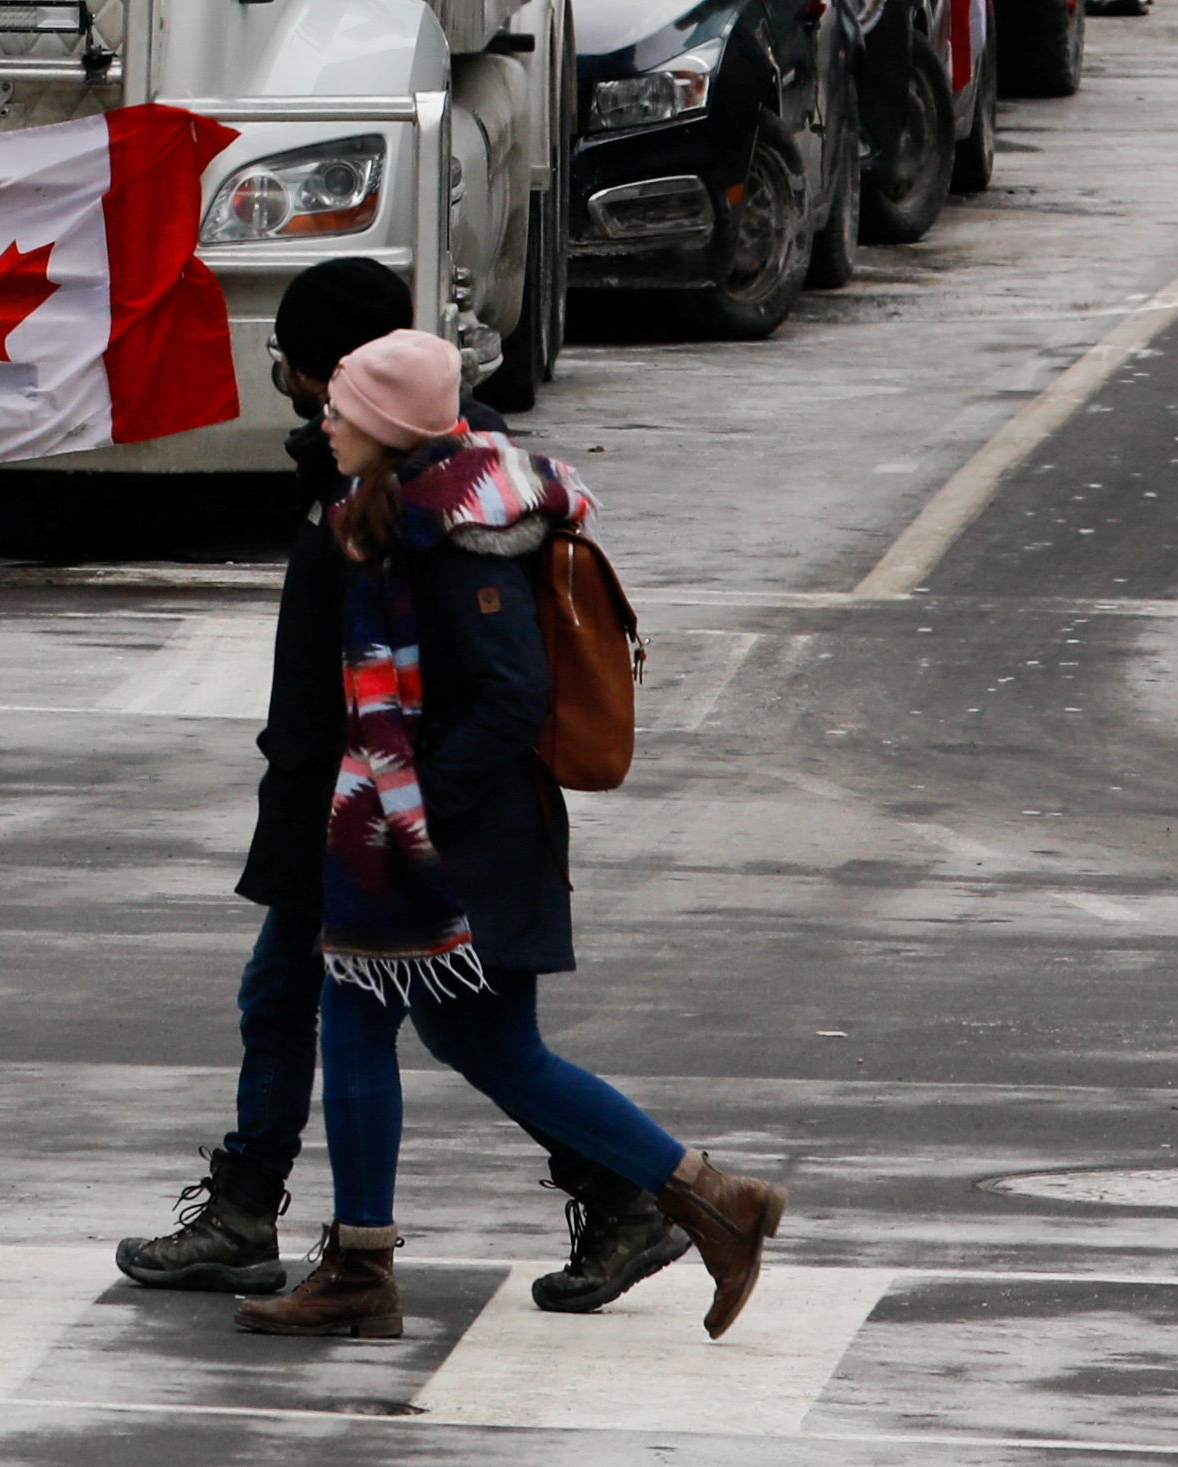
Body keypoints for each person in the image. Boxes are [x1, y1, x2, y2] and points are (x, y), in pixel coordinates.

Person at [118, 266, 680, 1313]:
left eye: (292, 359)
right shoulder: (374, 465)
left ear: (344, 375)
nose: (284, 379)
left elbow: (497, 686)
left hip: (383, 810)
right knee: (397, 1023)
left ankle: (630, 1192)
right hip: (348, 797)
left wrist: (389, 803)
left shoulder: (432, 495)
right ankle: (608, 1195)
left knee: (384, 1019)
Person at [234, 328, 787, 1345]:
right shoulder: (403, 511)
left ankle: (363, 1264)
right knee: (485, 1045)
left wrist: (414, 807)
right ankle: (710, 1198)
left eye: (345, 409)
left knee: (376, 1022)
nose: (326, 420)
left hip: (458, 841)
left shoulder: (459, 535)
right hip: (437, 831)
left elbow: (509, 694)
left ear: (391, 427)